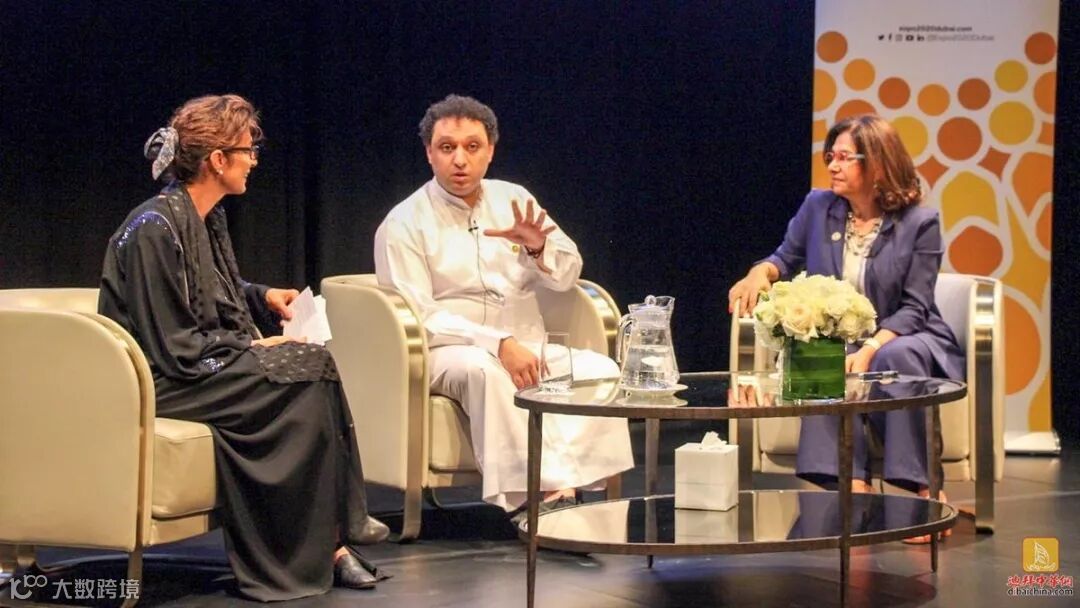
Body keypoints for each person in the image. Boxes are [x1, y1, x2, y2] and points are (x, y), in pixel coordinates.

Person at [99, 94, 388, 600]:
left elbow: (207, 290)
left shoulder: (201, 217)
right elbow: (174, 343)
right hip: (162, 379)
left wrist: (259, 297)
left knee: (312, 369)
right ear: (217, 159)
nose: (254, 160)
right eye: (247, 150)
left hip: (194, 364)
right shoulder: (153, 228)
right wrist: (253, 346)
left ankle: (330, 539)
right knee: (307, 362)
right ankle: (334, 535)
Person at [374, 94, 634, 515]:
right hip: (446, 352)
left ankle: (573, 491)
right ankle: (528, 499)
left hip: (527, 344)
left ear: (490, 151)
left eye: (472, 146)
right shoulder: (404, 223)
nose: (460, 159)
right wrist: (497, 343)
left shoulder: (514, 200)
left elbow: (568, 274)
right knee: (487, 372)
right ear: (429, 153)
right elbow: (419, 315)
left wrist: (538, 247)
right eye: (447, 147)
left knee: (600, 371)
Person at [726, 115, 963, 539]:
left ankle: (919, 494)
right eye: (830, 157)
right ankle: (851, 489)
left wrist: (871, 347)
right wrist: (759, 272)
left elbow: (916, 307)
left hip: (907, 334)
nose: (833, 166)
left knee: (896, 356)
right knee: (824, 353)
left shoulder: (919, 223)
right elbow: (785, 257)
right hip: (846, 340)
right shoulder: (819, 207)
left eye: (844, 158)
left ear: (878, 164)